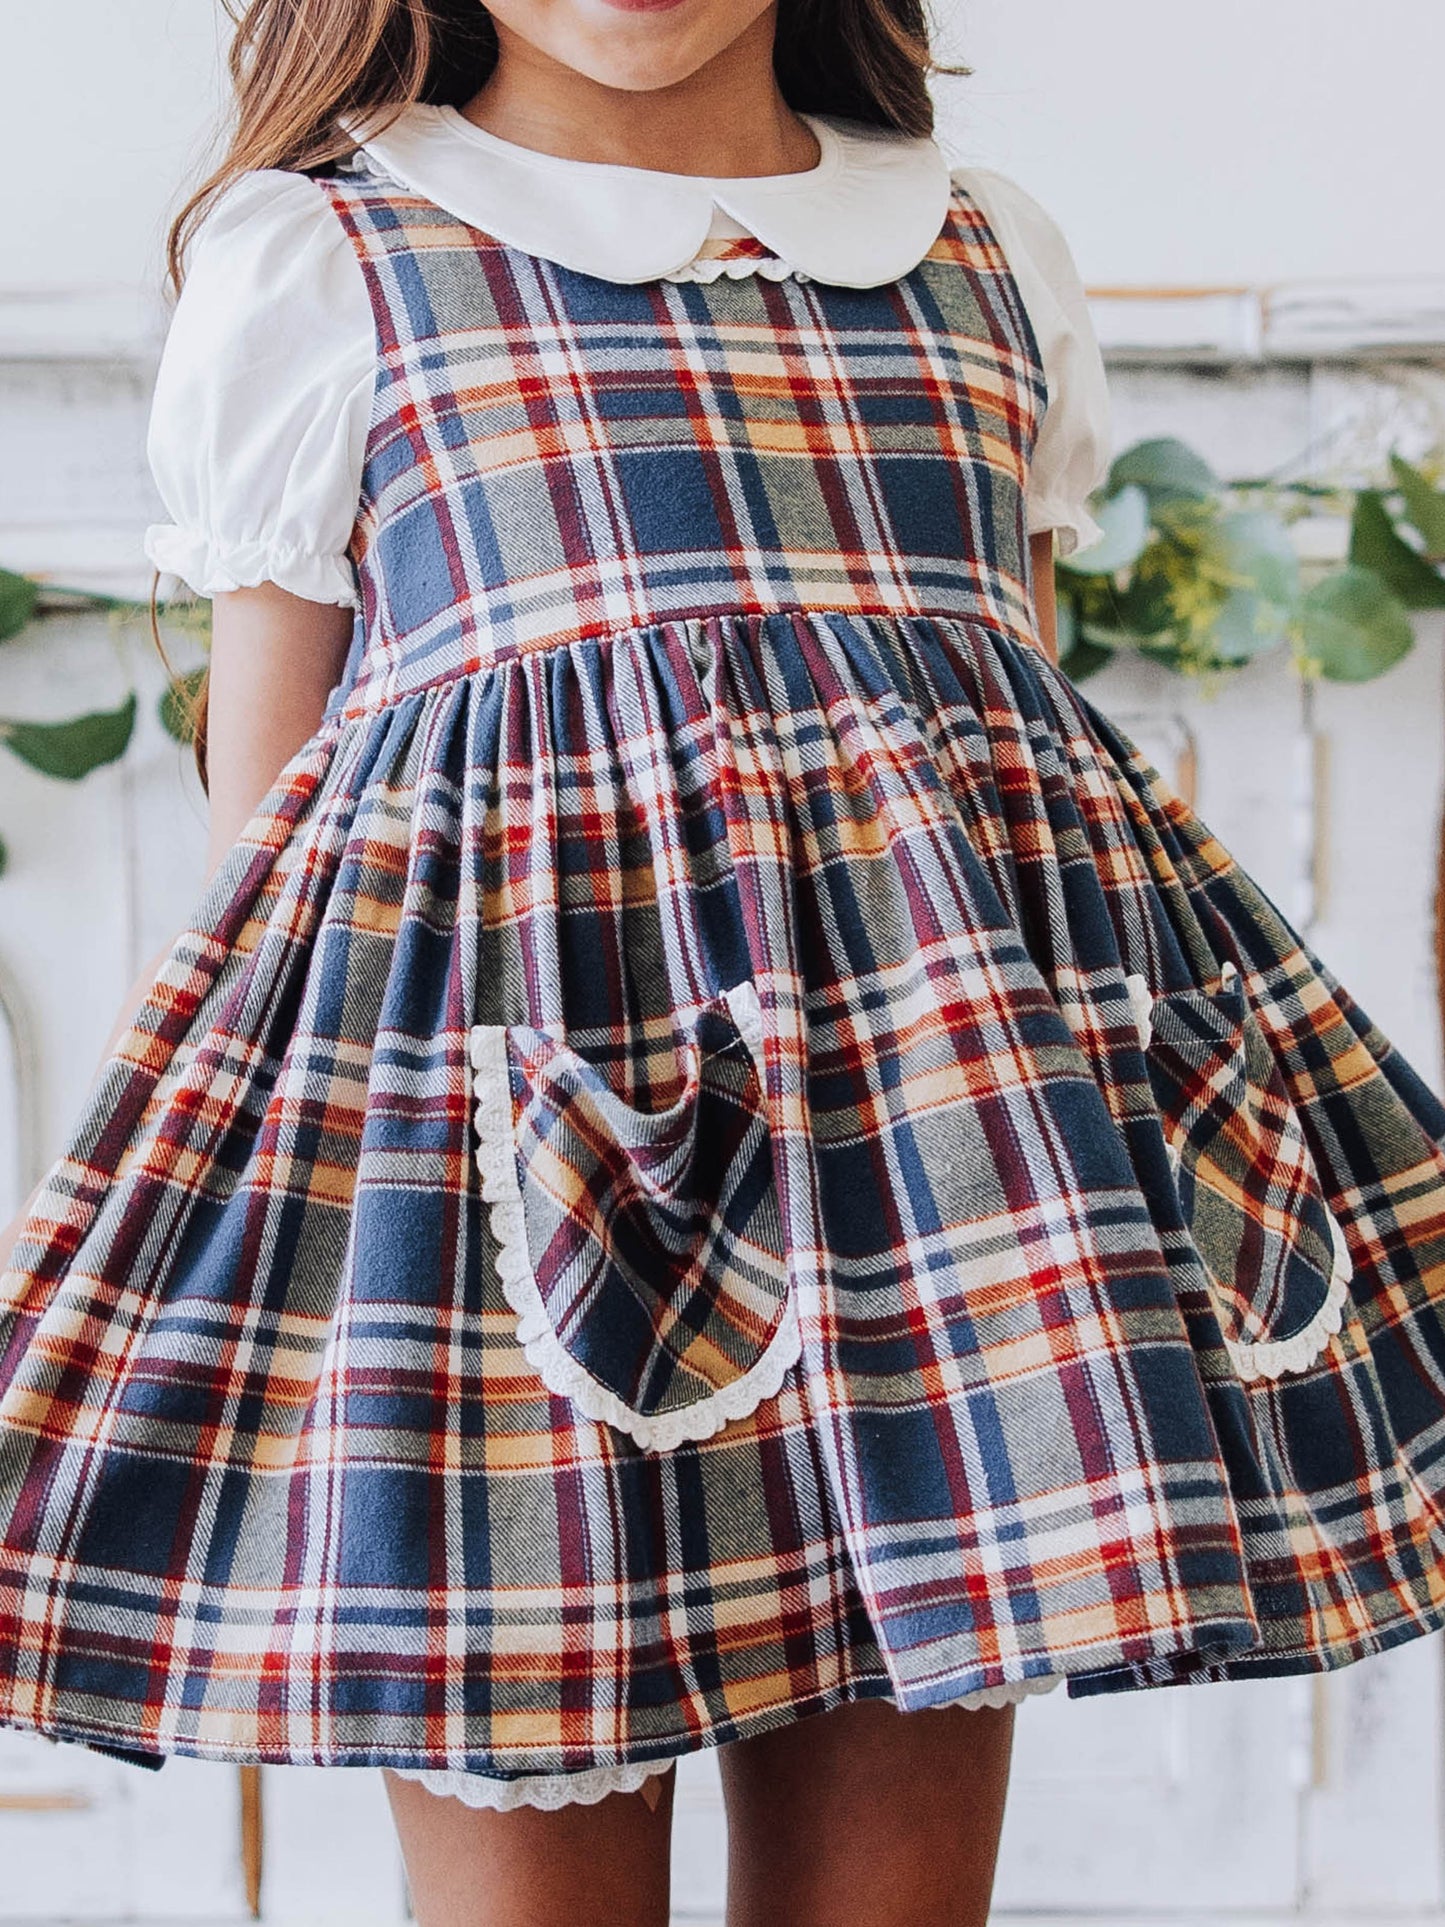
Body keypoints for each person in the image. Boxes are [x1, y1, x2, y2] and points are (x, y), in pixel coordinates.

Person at [4, 0, 1445, 1922]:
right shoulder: (335, 255)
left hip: (950, 1210)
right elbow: (266, 845)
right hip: (528, 1211)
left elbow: (1005, 761)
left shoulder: (975, 250)